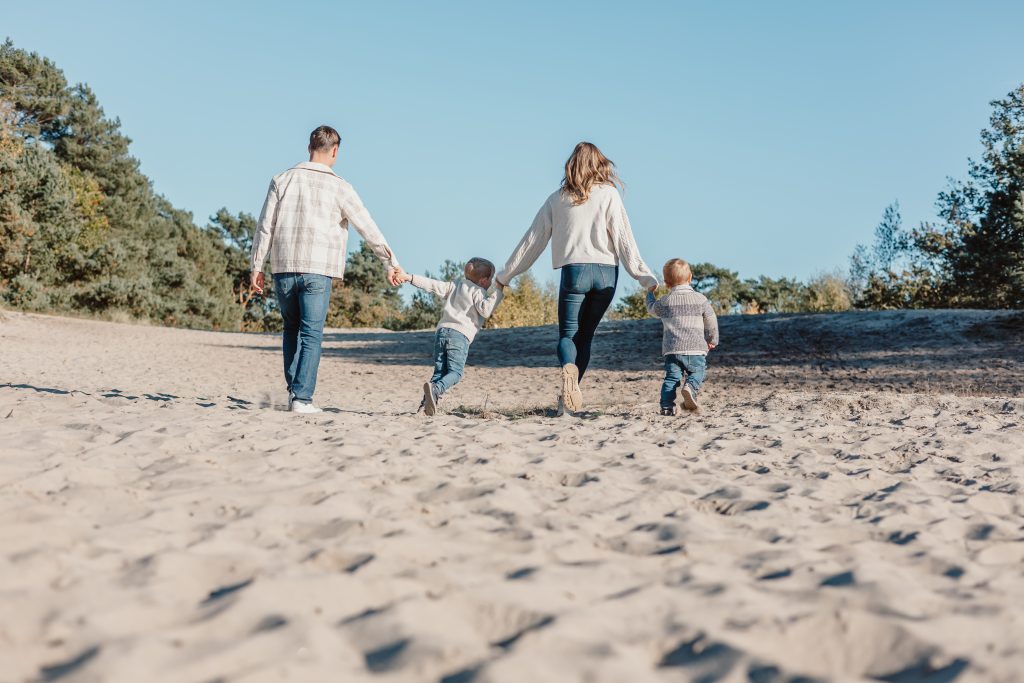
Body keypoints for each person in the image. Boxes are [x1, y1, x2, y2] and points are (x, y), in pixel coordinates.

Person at [495, 141, 658, 414]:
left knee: (568, 335)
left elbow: (531, 243)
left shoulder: (557, 199)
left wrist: (505, 275)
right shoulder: (609, 194)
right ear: (600, 164)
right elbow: (624, 239)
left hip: (575, 272)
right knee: (586, 336)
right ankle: (570, 397)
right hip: (607, 274)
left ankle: (568, 378)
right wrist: (645, 276)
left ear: (571, 166)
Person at [250, 125, 402, 414]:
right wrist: (390, 262)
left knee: (291, 329)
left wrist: (256, 266)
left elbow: (265, 226)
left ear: (309, 147)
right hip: (318, 268)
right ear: (335, 151)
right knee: (311, 333)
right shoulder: (341, 187)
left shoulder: (282, 179)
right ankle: (302, 399)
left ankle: (294, 392)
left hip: (283, 266)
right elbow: (367, 227)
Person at [394, 258, 504, 415]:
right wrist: (498, 292)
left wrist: (408, 277)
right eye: (491, 279)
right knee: (455, 373)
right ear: (483, 280)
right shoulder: (478, 291)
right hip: (459, 335)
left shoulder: (455, 285)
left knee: (439, 372)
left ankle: (425, 406)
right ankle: (436, 389)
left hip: (442, 332)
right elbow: (485, 310)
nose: (491, 283)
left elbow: (431, 284)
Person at [645, 258, 719, 415]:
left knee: (671, 378)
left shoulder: (665, 302)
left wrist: (650, 293)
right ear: (690, 277)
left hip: (673, 350)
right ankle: (690, 387)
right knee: (698, 371)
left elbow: (651, 309)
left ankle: (666, 407)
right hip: (696, 348)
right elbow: (711, 320)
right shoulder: (701, 299)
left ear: (666, 283)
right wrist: (712, 339)